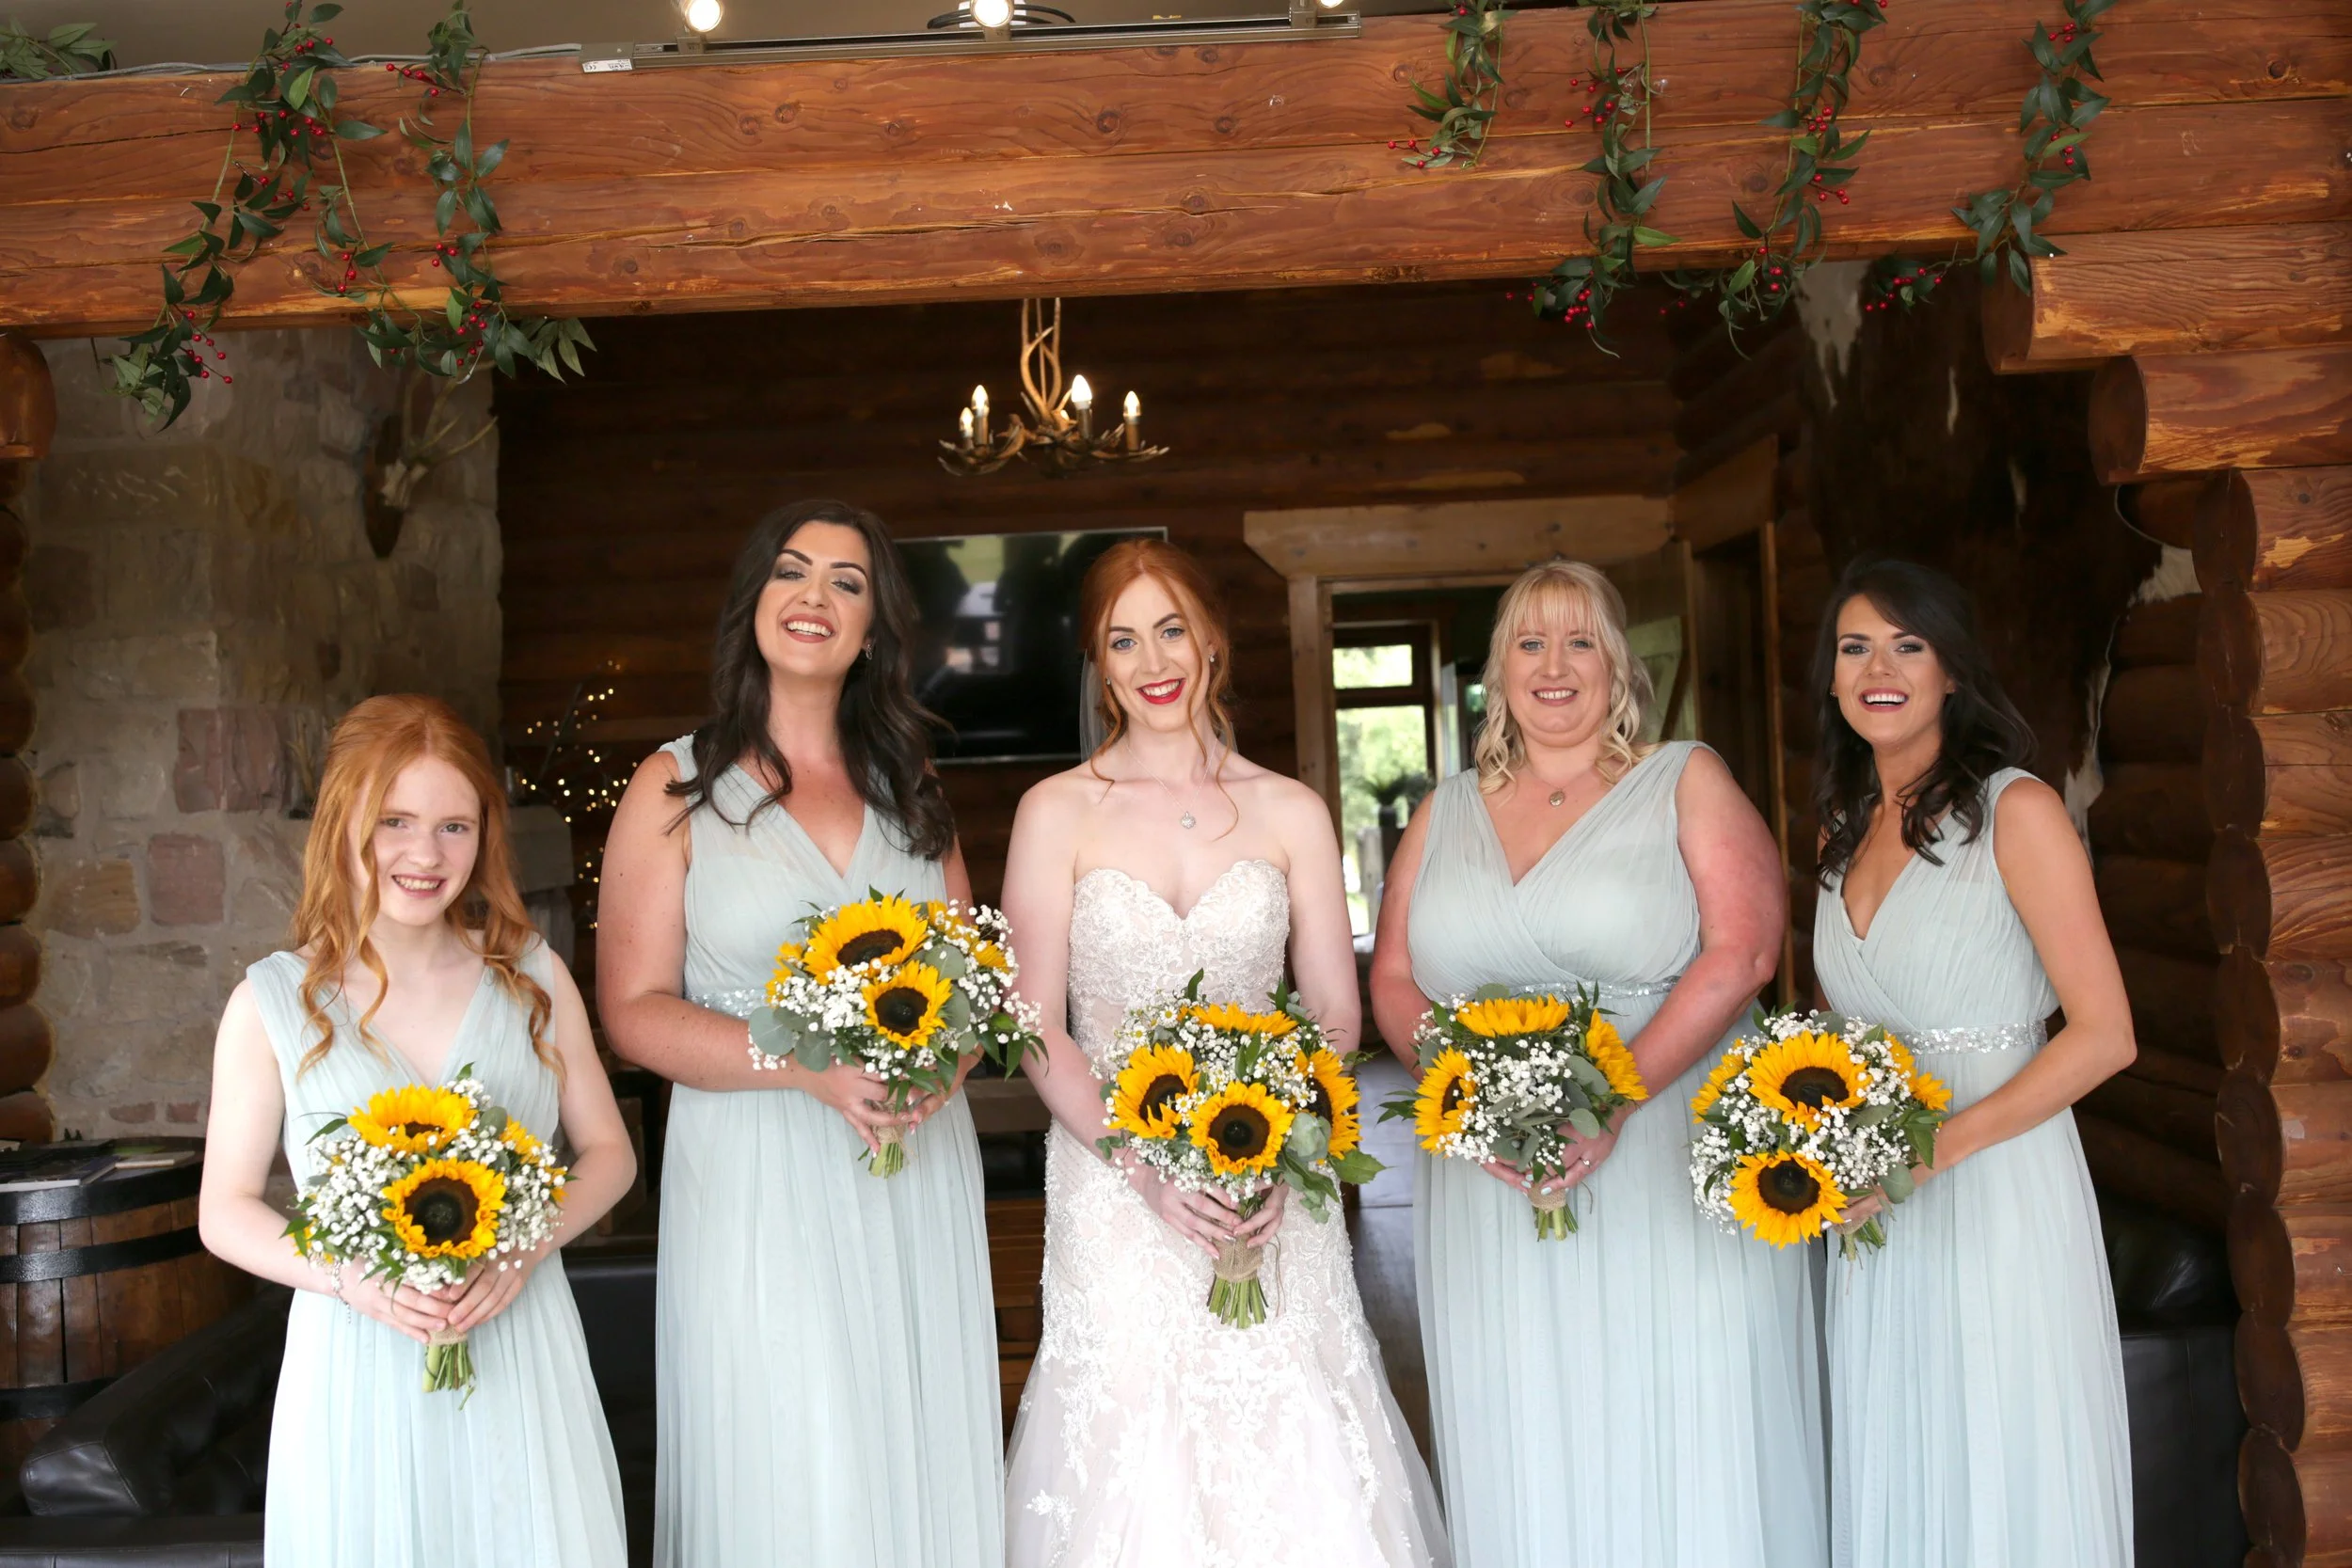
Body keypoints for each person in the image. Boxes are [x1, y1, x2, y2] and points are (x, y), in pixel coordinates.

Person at [1000, 538, 1448, 1567]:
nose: (1152, 658)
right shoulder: (1054, 810)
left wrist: (1278, 1139)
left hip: (1268, 1179)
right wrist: (1145, 1167)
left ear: (1210, 640)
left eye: (1170, 627)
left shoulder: (1289, 807)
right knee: (1126, 1439)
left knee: (1289, 1437)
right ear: (1098, 665)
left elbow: (1334, 1015)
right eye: (1122, 639)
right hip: (1114, 1182)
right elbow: (1036, 1021)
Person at [1369, 558, 1825, 1568]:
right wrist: (1473, 1100)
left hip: (1660, 1135)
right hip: (1490, 1174)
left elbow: (1743, 950)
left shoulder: (1682, 775)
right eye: (1530, 642)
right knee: (1524, 1397)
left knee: (1681, 1390)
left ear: (1617, 664)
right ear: (1498, 670)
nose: (1554, 665)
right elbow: (1395, 977)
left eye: (1580, 641)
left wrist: (1609, 1097)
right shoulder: (1444, 810)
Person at [597, 499, 1001, 1568]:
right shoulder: (675, 784)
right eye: (791, 570)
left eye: (847, 580)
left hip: (910, 1159)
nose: (815, 594)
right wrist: (806, 1069)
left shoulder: (914, 788)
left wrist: (941, 1071)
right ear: (755, 604)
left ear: (874, 631)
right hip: (756, 1165)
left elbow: (976, 985)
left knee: (905, 1422)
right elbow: (631, 1009)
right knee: (794, 1439)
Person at [199, 694, 633, 1568]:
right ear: (342, 824)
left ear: (483, 836)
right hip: (356, 1360)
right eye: (394, 820)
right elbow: (226, 1208)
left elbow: (611, 1152)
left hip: (517, 1337)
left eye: (453, 826)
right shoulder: (271, 1004)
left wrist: (522, 1247)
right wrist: (353, 1279)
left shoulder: (534, 978)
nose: (424, 855)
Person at [1808, 558, 2133, 1568]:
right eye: (1855, 645)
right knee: (1900, 1438)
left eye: (1909, 643)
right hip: (1876, 1204)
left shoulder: (2015, 810)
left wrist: (1934, 1149)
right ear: (1830, 676)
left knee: (2001, 1443)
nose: (1879, 666)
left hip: (1995, 1185)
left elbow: (2104, 1032)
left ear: (1953, 672)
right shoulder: (1836, 827)